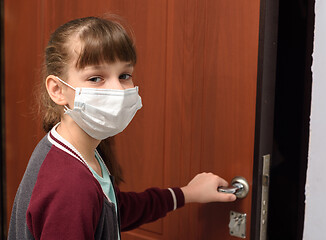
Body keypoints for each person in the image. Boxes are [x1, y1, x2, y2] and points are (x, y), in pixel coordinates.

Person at [8, 16, 236, 240]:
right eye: (96, 78)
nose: (117, 90)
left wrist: (188, 193)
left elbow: (110, 212)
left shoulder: (71, 147)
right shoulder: (71, 186)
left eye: (124, 75)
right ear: (58, 90)